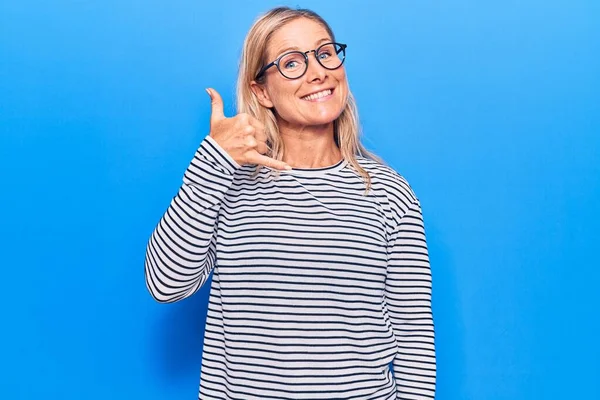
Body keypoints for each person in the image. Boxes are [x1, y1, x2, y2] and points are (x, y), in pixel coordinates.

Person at [145, 6, 436, 400]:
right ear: (261, 91)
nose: (318, 71)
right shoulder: (228, 185)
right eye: (292, 63)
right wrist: (213, 160)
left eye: (325, 53)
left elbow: (414, 335)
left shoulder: (388, 192)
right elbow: (166, 285)